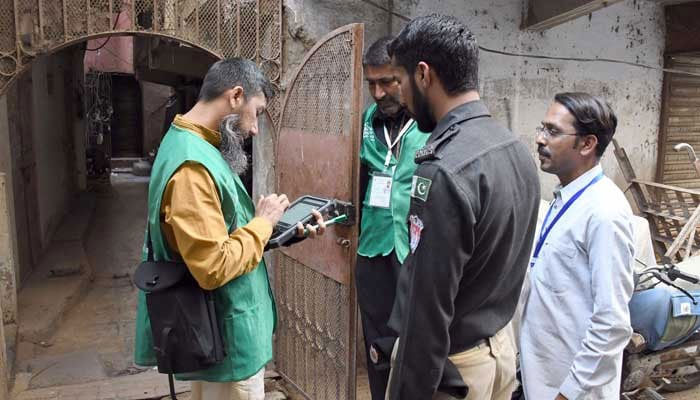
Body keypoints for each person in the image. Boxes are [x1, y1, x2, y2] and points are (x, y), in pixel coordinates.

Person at [133, 58, 325, 400]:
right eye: (257, 112)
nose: (254, 130)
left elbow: (223, 233)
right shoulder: (192, 166)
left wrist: (280, 230)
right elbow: (213, 265)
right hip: (226, 342)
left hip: (218, 337)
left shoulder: (194, 143)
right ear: (236, 96)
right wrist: (262, 223)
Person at [384, 15, 541, 400]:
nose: (400, 95)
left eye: (400, 81)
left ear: (423, 75)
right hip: (501, 354)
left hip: (453, 369)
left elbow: (427, 308)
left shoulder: (443, 170)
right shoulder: (515, 149)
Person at [519, 92, 634, 400]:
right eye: (542, 129)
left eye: (553, 131)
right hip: (539, 379)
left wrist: (568, 393)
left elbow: (612, 323)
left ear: (587, 144)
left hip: (571, 390)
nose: (540, 140)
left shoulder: (604, 212)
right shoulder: (562, 200)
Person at [356, 36, 429, 399]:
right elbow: (357, 178)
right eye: (371, 83)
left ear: (407, 77)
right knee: (376, 342)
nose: (378, 92)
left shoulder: (428, 122)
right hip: (373, 248)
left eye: (386, 82)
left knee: (412, 340)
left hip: (413, 249)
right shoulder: (368, 121)